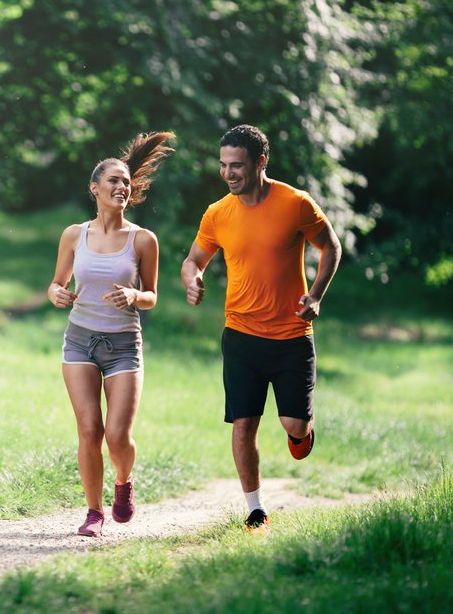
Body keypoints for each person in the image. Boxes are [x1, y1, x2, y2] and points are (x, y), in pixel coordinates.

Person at [181, 124, 342, 535]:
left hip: (292, 336)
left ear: (260, 163)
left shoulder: (295, 203)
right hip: (240, 335)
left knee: (294, 426)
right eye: (223, 165)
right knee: (243, 423)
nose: (229, 173)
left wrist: (317, 295)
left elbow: (331, 247)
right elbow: (193, 259)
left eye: (237, 165)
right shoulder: (218, 213)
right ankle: (255, 509)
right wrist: (192, 278)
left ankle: (301, 431)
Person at [48, 131, 175, 537]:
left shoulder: (143, 240)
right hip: (80, 339)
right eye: (114, 180)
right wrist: (56, 292)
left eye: (126, 181)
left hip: (123, 345)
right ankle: (93, 512)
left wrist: (136, 294)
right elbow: (57, 282)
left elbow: (153, 296)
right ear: (95, 188)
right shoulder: (73, 235)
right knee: (89, 430)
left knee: (118, 436)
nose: (122, 186)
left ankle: (123, 481)